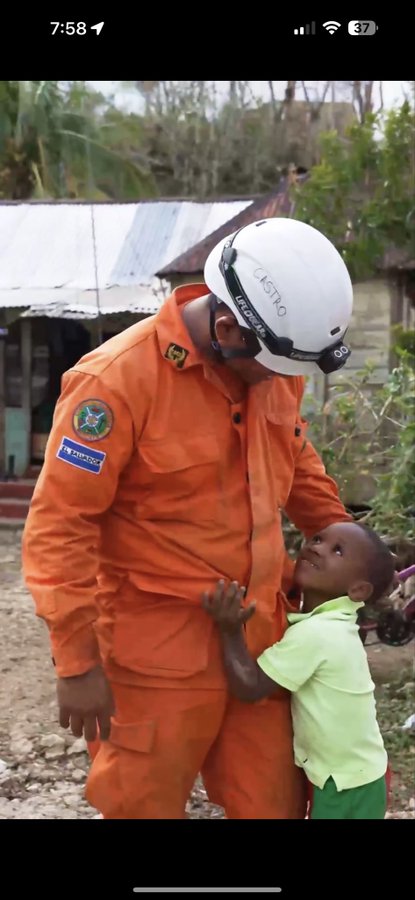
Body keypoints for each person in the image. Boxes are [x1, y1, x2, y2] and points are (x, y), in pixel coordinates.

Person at [22, 217, 354, 819]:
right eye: (278, 367)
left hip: (260, 649)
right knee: (142, 807)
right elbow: (60, 527)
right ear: (227, 327)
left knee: (275, 806)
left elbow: (298, 465)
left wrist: (358, 554)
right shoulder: (116, 383)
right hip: (155, 656)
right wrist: (75, 664)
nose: (285, 382)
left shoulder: (268, 364)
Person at [202, 521, 395, 819]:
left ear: (358, 589)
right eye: (318, 538)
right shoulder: (336, 625)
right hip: (358, 774)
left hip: (344, 785)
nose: (316, 547)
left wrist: (229, 629)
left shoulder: (318, 634)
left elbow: (250, 687)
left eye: (337, 550)